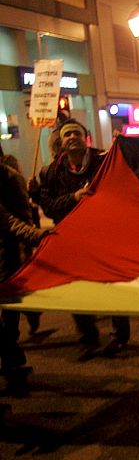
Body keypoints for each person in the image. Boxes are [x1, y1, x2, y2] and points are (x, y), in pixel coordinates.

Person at [39, 119, 132, 361]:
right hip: (71, 240)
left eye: (76, 133)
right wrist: (74, 197)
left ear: (86, 137)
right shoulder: (51, 172)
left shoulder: (104, 162)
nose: (72, 137)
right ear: (60, 141)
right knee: (76, 290)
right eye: (67, 134)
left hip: (104, 236)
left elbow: (122, 192)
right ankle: (88, 340)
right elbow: (49, 208)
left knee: (112, 287)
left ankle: (118, 336)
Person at [0, 151, 48, 386]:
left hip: (6, 258)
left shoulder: (11, 179)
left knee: (9, 315)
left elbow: (14, 221)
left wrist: (37, 238)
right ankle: (13, 358)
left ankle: (12, 364)